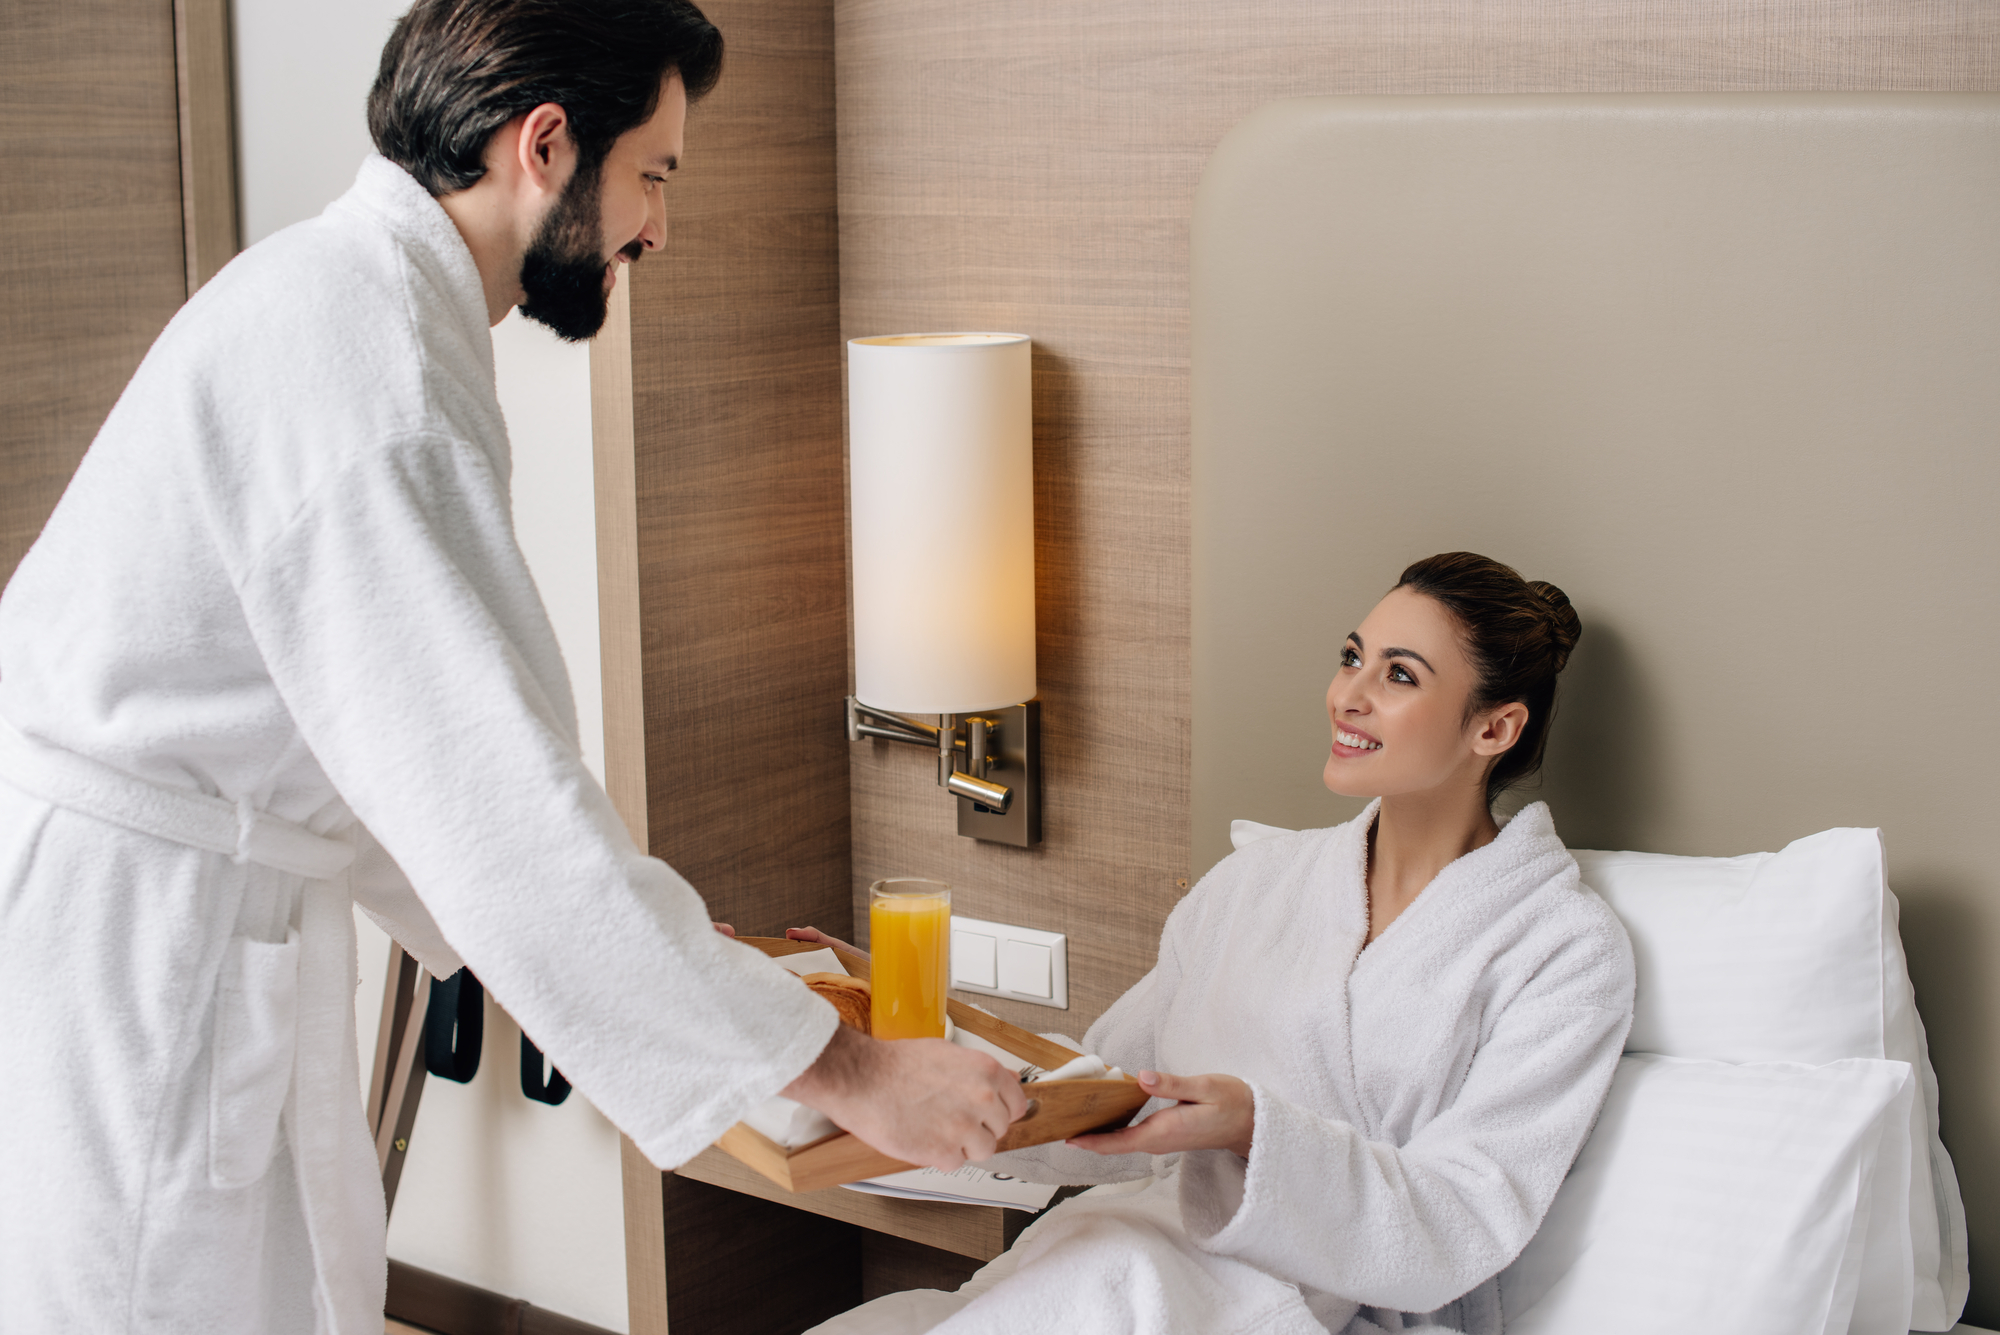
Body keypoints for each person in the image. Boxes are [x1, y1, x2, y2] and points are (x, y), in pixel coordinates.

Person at [0, 2, 1024, 1331]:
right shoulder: (372, 369)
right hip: (140, 951)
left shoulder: (350, 304)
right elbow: (501, 813)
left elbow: (403, 760)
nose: (660, 226)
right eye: (652, 173)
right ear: (544, 145)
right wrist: (854, 1070)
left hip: (158, 907)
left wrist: (649, 944)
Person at [801, 552, 1636, 1335]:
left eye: (1399, 674)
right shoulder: (1253, 884)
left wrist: (1252, 1131)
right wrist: (893, 1030)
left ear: (1494, 730)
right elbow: (1101, 1091)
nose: (1348, 693)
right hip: (1123, 1253)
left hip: (1295, 1300)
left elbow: (1459, 1220)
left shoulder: (1562, 951)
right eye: (1353, 657)